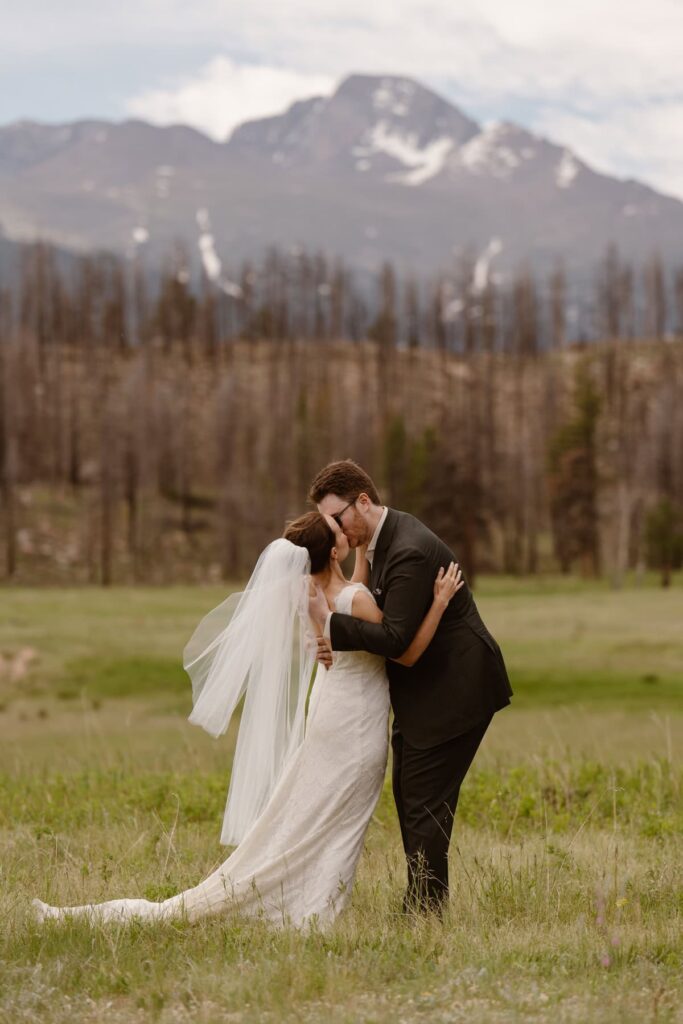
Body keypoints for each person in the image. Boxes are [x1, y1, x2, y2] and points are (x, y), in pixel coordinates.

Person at [33, 511, 463, 929]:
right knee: (339, 812)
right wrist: (439, 603)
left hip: (331, 706)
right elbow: (399, 648)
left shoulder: (314, 598)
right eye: (337, 528)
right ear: (333, 551)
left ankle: (306, 889)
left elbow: (349, 604)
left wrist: (361, 562)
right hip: (356, 721)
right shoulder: (353, 600)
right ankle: (313, 900)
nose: (344, 528)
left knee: (317, 806)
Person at [308, 460, 512, 914]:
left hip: (456, 686)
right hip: (425, 687)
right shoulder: (378, 540)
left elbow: (398, 641)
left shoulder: (409, 551)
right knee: (411, 792)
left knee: (423, 798)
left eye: (337, 518)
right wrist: (331, 638)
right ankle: (422, 899)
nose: (337, 532)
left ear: (363, 501)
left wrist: (332, 627)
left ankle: (425, 909)